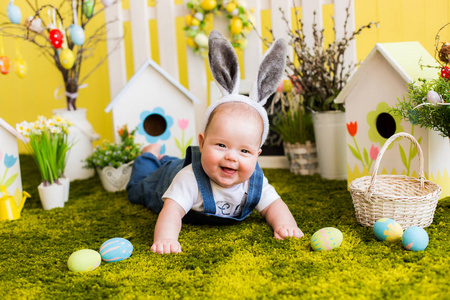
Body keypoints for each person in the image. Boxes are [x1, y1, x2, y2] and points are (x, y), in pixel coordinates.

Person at [127, 30, 304, 254]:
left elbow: (274, 205)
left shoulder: (255, 182)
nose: (231, 156)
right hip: (164, 180)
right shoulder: (189, 178)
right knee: (137, 189)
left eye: (244, 151)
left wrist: (285, 225)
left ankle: (163, 158)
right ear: (202, 143)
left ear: (257, 155)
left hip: (183, 166)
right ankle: (148, 155)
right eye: (221, 145)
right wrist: (166, 239)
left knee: (171, 162)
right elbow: (171, 212)